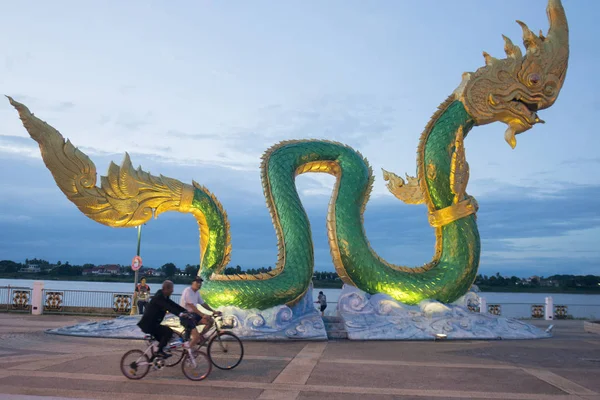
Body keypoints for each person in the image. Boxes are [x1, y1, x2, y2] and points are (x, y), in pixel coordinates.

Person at [137, 280, 188, 359]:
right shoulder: (159, 298)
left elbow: (173, 305)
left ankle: (154, 357)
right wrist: (180, 314)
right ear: (166, 289)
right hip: (148, 325)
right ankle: (159, 352)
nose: (173, 290)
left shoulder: (164, 296)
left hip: (153, 324)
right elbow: (169, 307)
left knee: (164, 337)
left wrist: (185, 311)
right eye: (171, 288)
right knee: (168, 332)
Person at [180, 277, 222, 347]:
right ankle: (192, 345)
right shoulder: (188, 291)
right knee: (194, 335)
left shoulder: (197, 293)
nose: (199, 284)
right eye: (197, 282)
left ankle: (200, 337)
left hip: (193, 315)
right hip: (187, 316)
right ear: (192, 283)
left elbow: (203, 304)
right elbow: (192, 306)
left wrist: (213, 311)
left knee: (210, 321)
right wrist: (203, 315)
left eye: (200, 283)